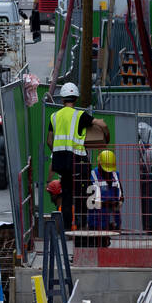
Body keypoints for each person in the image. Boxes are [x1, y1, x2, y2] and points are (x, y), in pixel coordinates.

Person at [46, 82, 94, 232]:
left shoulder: (54, 116)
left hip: (63, 163)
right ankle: (82, 227)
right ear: (76, 98)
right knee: (82, 195)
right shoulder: (81, 115)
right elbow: (96, 129)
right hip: (80, 163)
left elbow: (49, 140)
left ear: (62, 99)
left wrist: (59, 151)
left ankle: (67, 229)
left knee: (66, 196)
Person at [85, 150, 123, 234]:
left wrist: (118, 202)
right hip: (96, 224)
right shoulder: (92, 176)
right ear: (99, 165)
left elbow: (121, 196)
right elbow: (91, 203)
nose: (107, 172)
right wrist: (108, 203)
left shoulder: (115, 175)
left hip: (114, 225)